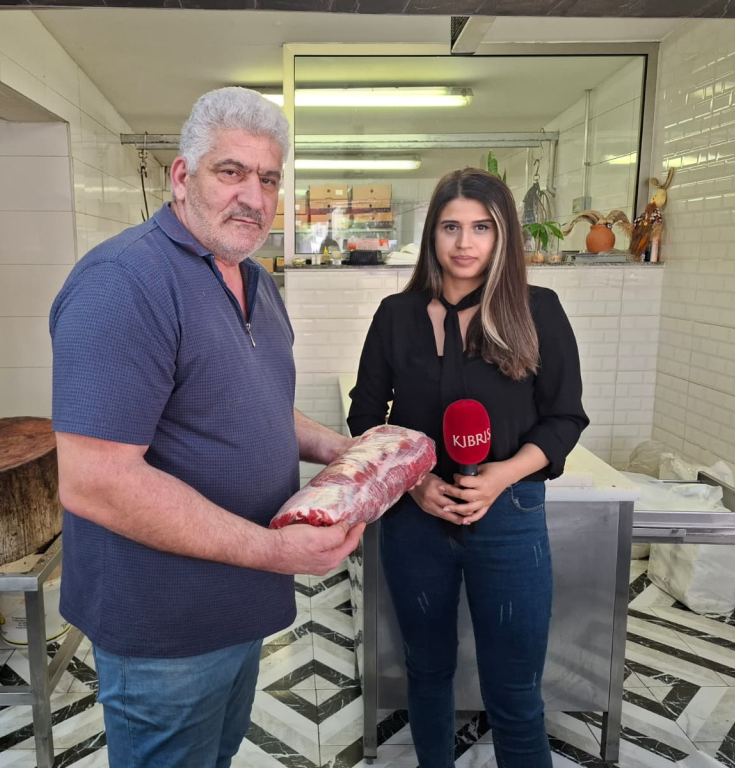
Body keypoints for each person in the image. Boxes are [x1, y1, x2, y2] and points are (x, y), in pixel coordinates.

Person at [49, 87, 363, 768]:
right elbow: (96, 481)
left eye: (268, 179)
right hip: (165, 627)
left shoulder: (255, 281)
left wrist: (341, 449)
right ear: (182, 176)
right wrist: (274, 552)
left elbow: (251, 402)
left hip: (238, 604)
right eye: (231, 172)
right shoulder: (124, 283)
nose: (253, 196)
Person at [347, 168, 589, 768]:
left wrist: (501, 476)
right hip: (414, 523)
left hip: (509, 519)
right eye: (450, 227)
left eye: (482, 227)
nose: (464, 243)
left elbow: (564, 418)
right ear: (432, 233)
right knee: (427, 673)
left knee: (515, 692)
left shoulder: (537, 310)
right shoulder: (395, 315)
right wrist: (415, 483)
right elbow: (365, 417)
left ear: (502, 234)